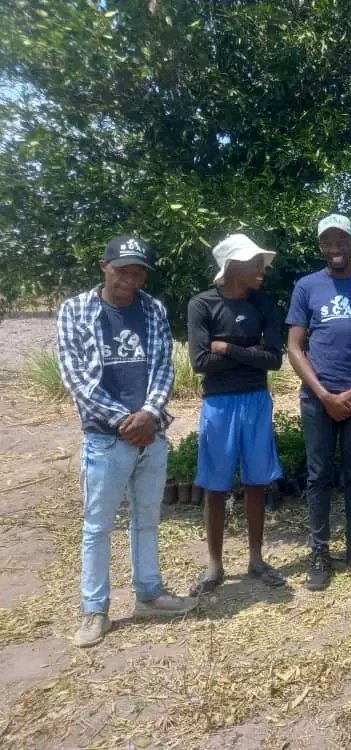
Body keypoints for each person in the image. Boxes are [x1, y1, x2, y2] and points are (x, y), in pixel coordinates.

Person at [57, 236, 196, 648]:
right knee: (98, 526)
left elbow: (163, 368)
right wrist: (125, 420)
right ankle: (95, 610)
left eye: (138, 272)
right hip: (105, 437)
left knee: (147, 517)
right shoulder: (75, 311)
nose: (130, 280)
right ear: (104, 266)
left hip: (151, 432)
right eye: (123, 271)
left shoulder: (152, 309)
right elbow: (75, 376)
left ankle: (149, 592)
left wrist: (150, 414)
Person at [286, 213, 351, 588]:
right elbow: (295, 347)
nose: (336, 248)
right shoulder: (306, 286)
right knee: (318, 476)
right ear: (321, 247)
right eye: (328, 242)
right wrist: (324, 394)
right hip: (318, 399)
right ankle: (319, 553)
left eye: (341, 240)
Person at [186, 234, 285, 597]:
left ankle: (256, 558)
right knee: (216, 485)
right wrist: (250, 351)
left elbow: (274, 359)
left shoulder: (263, 304)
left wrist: (227, 347)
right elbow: (200, 362)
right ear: (233, 266)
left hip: (256, 399)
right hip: (219, 404)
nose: (262, 270)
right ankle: (215, 563)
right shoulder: (202, 305)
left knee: (257, 482)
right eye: (255, 263)